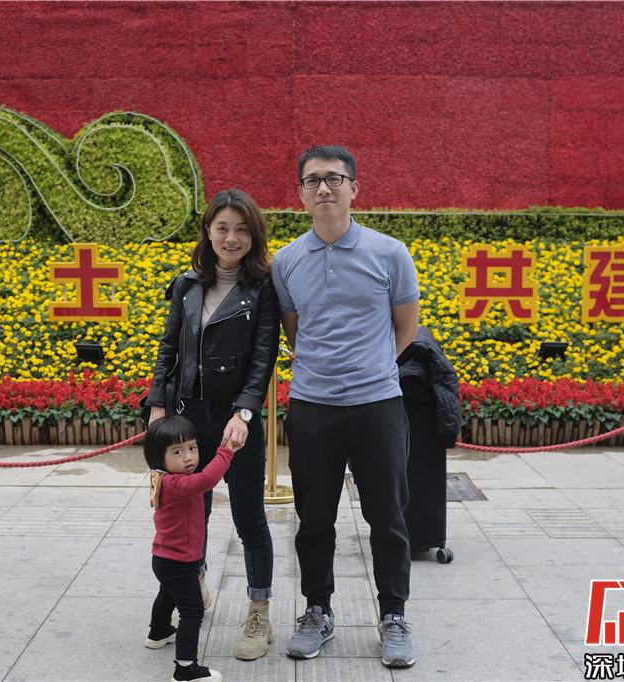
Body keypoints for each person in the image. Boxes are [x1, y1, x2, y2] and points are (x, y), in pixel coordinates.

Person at [271, 145, 420, 668]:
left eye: (334, 179)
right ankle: (317, 610)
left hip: (378, 405)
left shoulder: (390, 253)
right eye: (312, 180)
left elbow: (406, 327)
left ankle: (393, 615)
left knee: (388, 517)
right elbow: (296, 333)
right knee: (314, 519)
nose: (324, 188)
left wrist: (371, 367)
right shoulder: (286, 261)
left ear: (355, 188)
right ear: (300, 194)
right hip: (313, 408)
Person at [145, 188, 279, 660]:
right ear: (208, 231)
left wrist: (245, 412)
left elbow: (263, 358)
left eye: (241, 229)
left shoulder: (262, 288)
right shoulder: (187, 285)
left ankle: (259, 612)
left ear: (254, 235)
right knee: (191, 513)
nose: (231, 238)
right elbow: (168, 349)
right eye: (222, 227)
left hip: (236, 421)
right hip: (188, 420)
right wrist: (157, 406)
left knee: (249, 519)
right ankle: (193, 584)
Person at [143, 415, 233, 682]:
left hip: (165, 558)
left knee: (168, 594)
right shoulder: (176, 484)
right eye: (177, 452)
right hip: (179, 562)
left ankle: (158, 632)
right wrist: (225, 452)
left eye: (192, 448)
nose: (188, 457)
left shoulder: (161, 477)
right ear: (159, 458)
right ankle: (185, 669)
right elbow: (206, 481)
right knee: (192, 611)